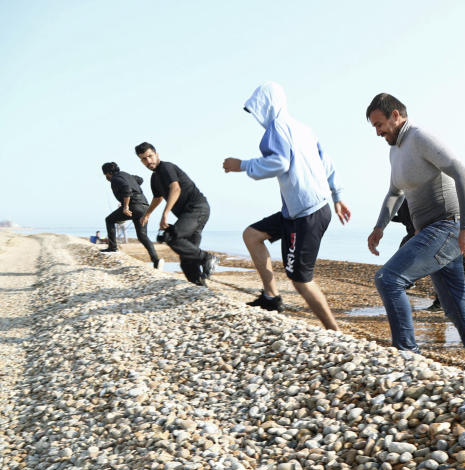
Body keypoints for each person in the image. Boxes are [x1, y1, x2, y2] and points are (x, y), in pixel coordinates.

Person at [365, 93, 465, 378]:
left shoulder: (420, 137)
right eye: (373, 127)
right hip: (431, 232)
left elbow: (463, 173)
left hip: (448, 227)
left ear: (396, 115)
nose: (377, 132)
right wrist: (379, 227)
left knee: (388, 279)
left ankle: (409, 361)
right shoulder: (394, 150)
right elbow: (395, 193)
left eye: (379, 124)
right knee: (458, 311)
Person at [222, 82, 351, 330]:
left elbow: (279, 163)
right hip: (299, 210)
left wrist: (241, 165)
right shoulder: (304, 129)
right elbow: (327, 162)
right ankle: (271, 298)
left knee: (301, 280)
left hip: (307, 213)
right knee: (252, 235)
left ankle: (335, 332)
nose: (256, 116)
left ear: (267, 105)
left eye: (257, 109)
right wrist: (337, 195)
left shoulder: (277, 128)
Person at [137, 142, 217, 286]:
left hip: (197, 209)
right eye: (143, 159)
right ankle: (200, 288)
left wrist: (165, 214)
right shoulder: (154, 178)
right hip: (188, 215)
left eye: (150, 156)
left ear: (157, 154)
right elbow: (157, 198)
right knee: (187, 261)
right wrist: (147, 214)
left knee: (171, 236)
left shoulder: (166, 167)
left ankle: (207, 258)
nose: (148, 161)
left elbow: (175, 189)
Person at [100, 162, 163, 269]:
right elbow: (140, 179)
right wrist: (133, 183)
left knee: (109, 220)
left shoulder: (115, 179)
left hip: (134, 206)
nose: (106, 178)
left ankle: (112, 247)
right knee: (142, 236)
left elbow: (126, 189)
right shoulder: (126, 175)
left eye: (105, 175)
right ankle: (156, 260)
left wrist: (125, 206)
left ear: (108, 173)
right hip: (144, 206)